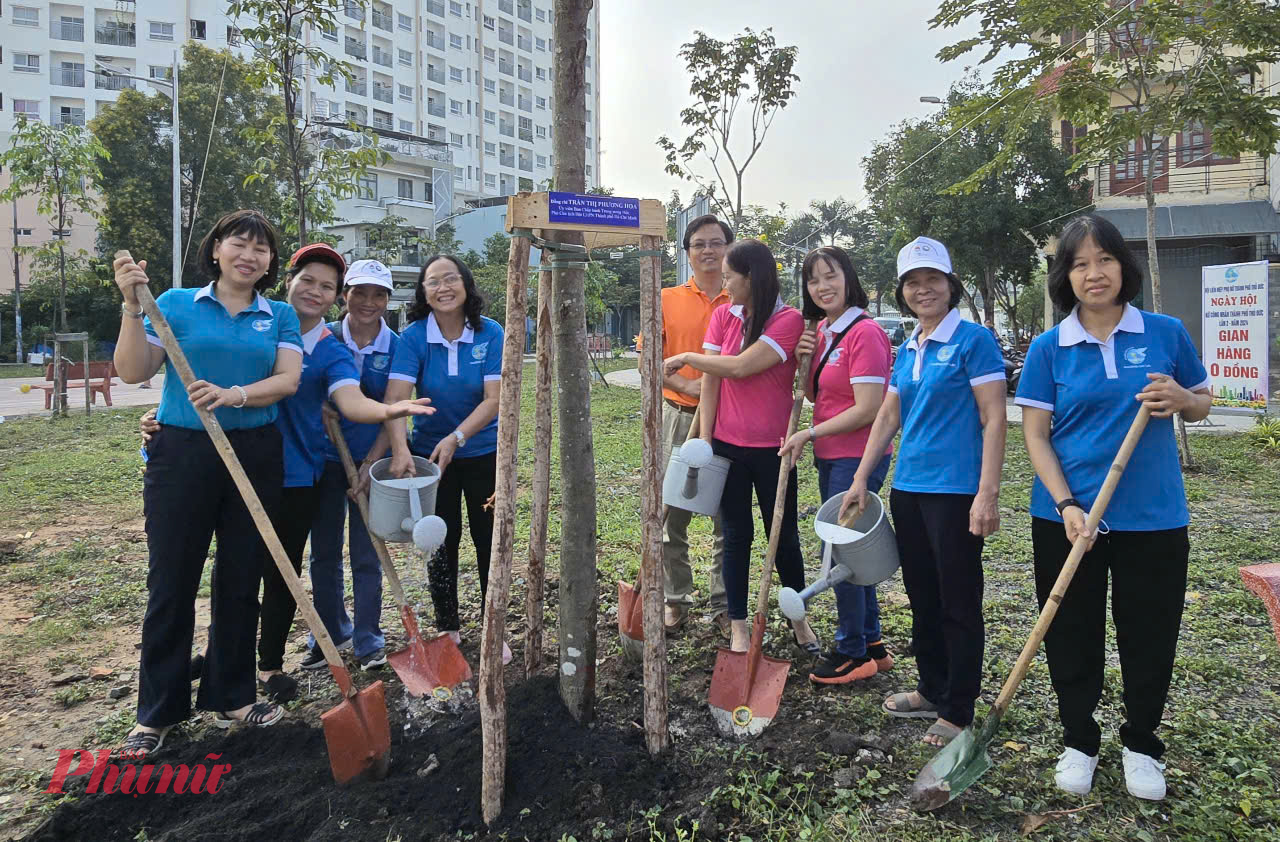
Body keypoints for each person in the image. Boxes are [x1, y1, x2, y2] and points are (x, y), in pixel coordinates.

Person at [1014, 214, 1211, 801]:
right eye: (1079, 263)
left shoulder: (1165, 333)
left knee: (1150, 631)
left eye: (1104, 260)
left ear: (1124, 266)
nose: (1093, 273)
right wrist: (1067, 503)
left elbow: (1201, 401)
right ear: (1065, 277)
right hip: (1066, 519)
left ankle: (1142, 743)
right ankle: (1079, 739)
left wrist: (1182, 398)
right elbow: (1036, 437)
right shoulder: (1050, 348)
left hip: (1153, 517)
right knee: (1070, 631)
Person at [113, 210, 303, 757]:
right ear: (216, 249)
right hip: (183, 452)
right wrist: (131, 306)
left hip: (255, 449)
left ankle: (234, 695)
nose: (250, 255)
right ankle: (157, 712)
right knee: (172, 580)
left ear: (270, 262)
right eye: (238, 244)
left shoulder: (280, 314)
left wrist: (234, 394)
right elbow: (133, 371)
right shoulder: (171, 304)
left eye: (261, 249)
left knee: (242, 577)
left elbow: (287, 379)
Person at [841, 236, 1006, 748]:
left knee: (958, 600)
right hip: (908, 489)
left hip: (956, 493)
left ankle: (959, 707)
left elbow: (994, 416)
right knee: (922, 595)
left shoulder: (974, 341)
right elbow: (889, 414)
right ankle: (932, 688)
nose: (923, 289)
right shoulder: (909, 344)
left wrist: (988, 493)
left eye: (932, 279)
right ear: (903, 291)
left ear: (950, 284)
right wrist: (862, 477)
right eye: (913, 282)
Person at [663, 239, 819, 655]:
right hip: (728, 449)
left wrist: (688, 357)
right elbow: (712, 381)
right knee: (736, 535)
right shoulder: (723, 317)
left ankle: (797, 617)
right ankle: (737, 624)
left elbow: (742, 367)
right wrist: (706, 439)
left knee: (782, 536)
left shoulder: (787, 321)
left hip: (774, 449)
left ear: (752, 277)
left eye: (731, 276)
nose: (725, 283)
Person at [384, 255, 512, 664]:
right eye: (432, 282)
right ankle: (448, 628)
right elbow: (395, 399)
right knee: (439, 539)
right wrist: (402, 449)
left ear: (466, 284)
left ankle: (497, 628)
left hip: (483, 451)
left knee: (488, 538)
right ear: (423, 292)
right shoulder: (414, 338)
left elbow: (494, 400)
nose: (443, 287)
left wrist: (457, 436)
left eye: (450, 278)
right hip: (430, 458)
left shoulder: (490, 333)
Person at [778, 246, 895, 685]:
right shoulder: (824, 331)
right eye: (813, 280)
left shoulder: (865, 333)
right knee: (853, 549)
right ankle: (872, 644)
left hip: (857, 456)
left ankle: (850, 651)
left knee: (842, 551)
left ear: (849, 277)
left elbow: (869, 408)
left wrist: (810, 433)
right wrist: (803, 358)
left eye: (831, 276)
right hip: (833, 456)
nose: (822, 287)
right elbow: (813, 395)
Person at [304, 259, 404, 677]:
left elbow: (394, 412)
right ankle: (328, 634)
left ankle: (368, 638)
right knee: (324, 554)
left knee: (368, 553)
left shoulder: (396, 346)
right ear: (344, 294)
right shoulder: (322, 339)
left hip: (374, 462)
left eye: (378, 294)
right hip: (323, 461)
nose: (368, 302)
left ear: (387, 299)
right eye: (359, 292)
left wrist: (369, 464)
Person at [657, 214, 732, 636]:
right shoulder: (667, 298)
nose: (708, 251)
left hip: (728, 422)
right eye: (699, 244)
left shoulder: (743, 299)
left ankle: (723, 604)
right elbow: (653, 358)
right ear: (687, 253)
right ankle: (676, 599)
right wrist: (688, 384)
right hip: (679, 415)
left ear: (728, 249)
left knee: (727, 519)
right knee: (671, 516)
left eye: (716, 243)